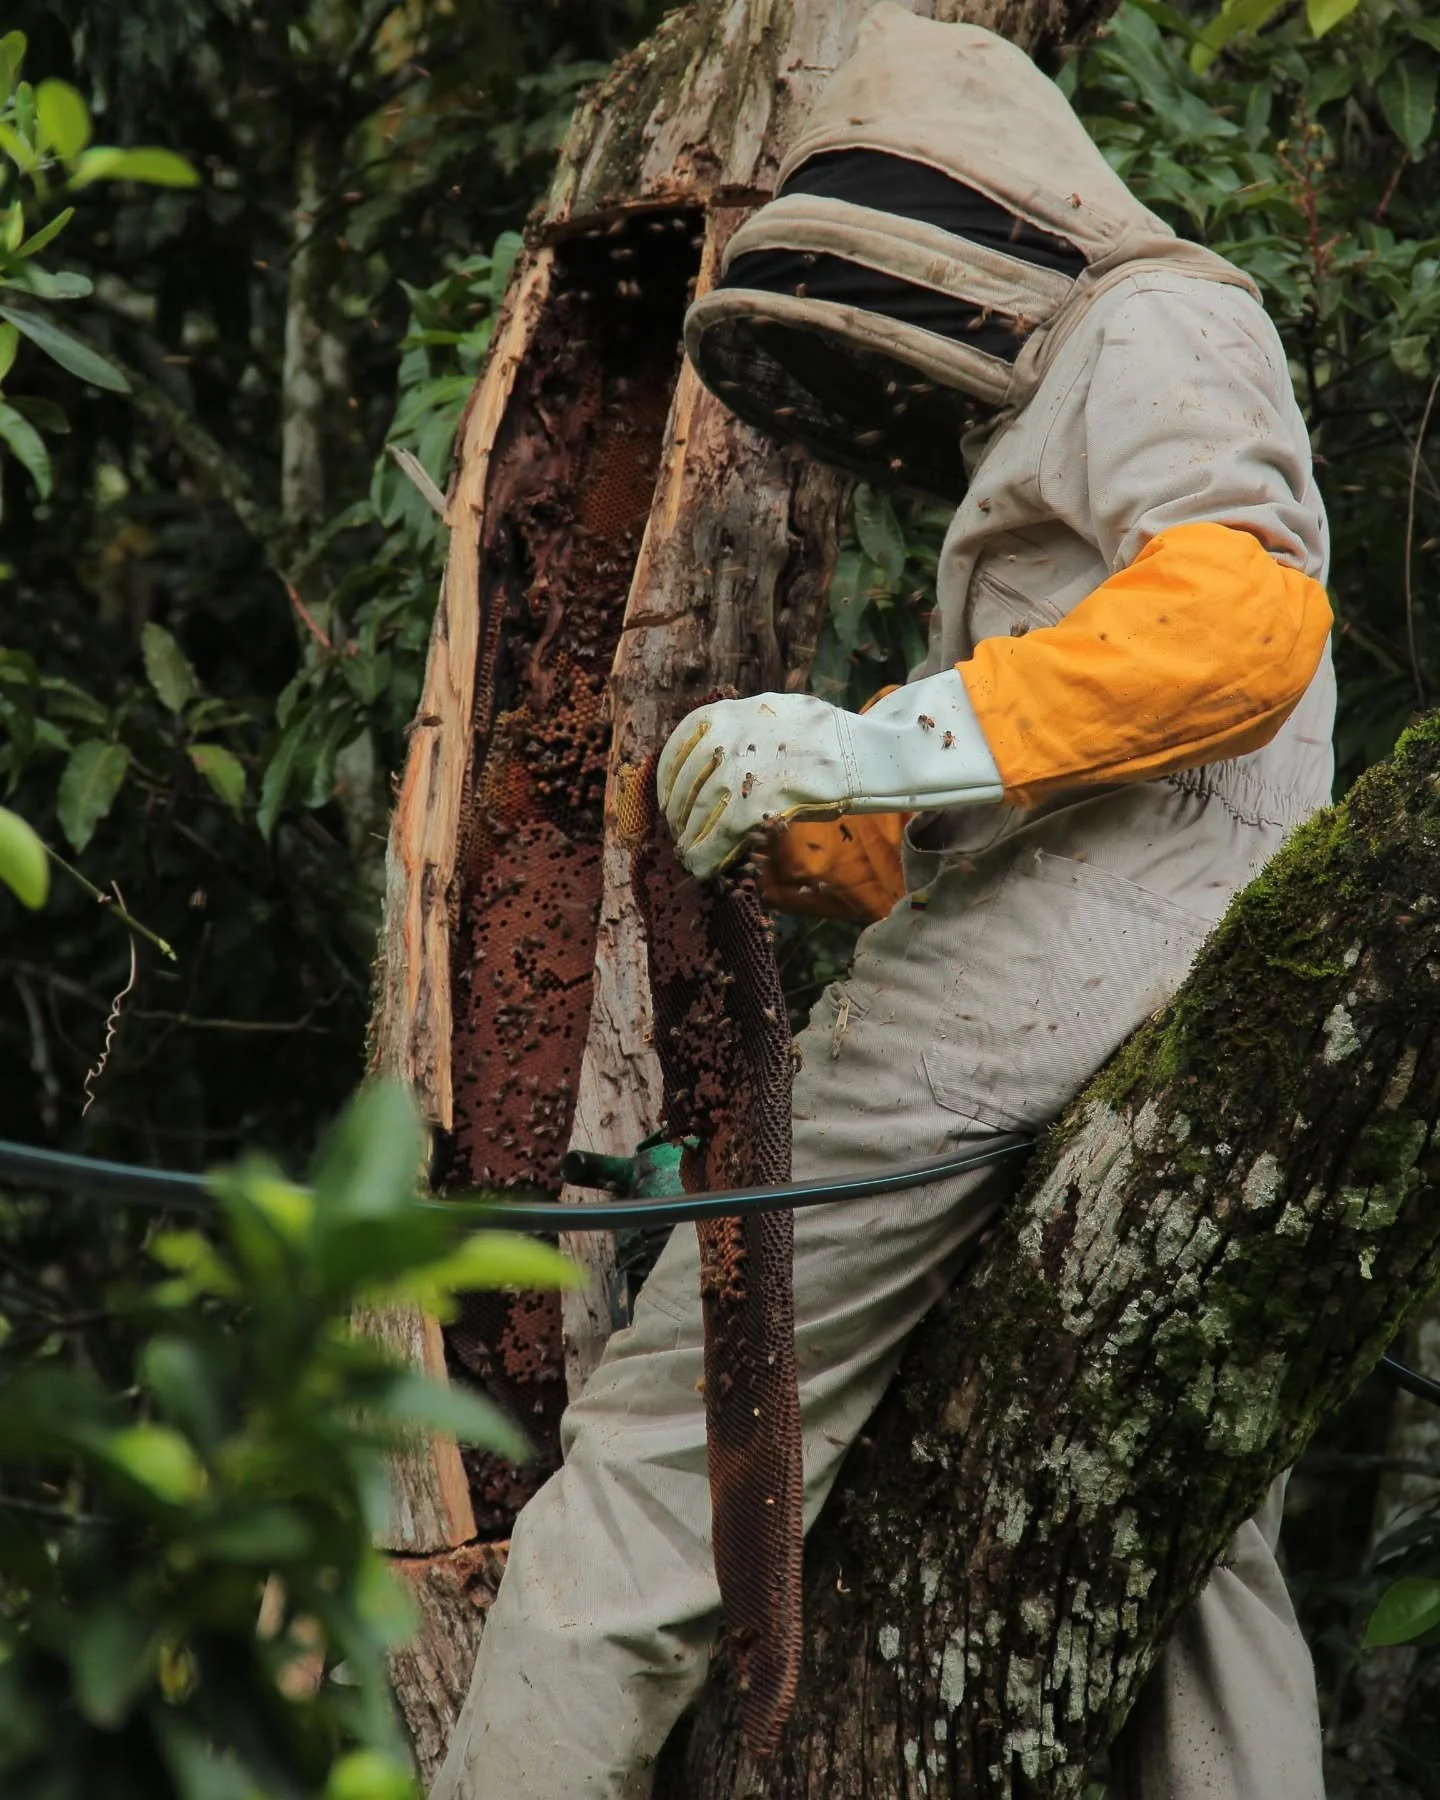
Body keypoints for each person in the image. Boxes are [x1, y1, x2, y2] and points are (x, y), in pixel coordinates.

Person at [432, 6, 1335, 1796]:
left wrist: (872, 746)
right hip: (1194, 982)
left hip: (1052, 980)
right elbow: (1031, 756)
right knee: (1198, 1530)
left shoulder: (1154, 319)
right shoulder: (1088, 390)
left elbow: (1245, 623)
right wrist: (799, 812)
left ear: (972, 199)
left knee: (663, 1456)